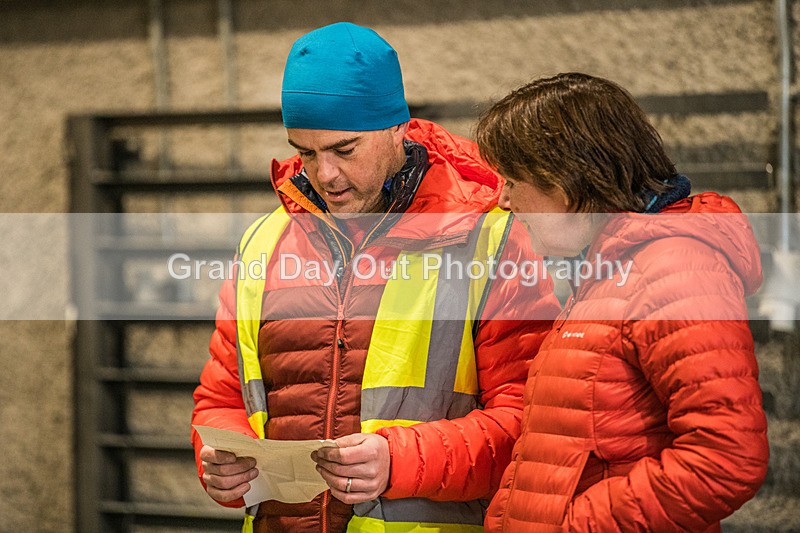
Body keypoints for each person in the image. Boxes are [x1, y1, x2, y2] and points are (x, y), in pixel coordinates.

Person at [191, 22, 560, 533]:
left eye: (345, 150)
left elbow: (533, 422)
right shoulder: (264, 241)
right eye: (306, 152)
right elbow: (221, 398)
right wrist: (218, 459)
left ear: (397, 129)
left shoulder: (489, 239)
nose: (325, 177)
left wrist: (399, 461)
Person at [474, 72, 769, 532]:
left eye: (513, 180)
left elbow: (726, 459)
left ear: (566, 182)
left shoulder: (674, 270)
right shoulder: (610, 268)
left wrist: (576, 527)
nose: (504, 199)